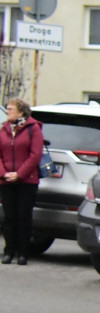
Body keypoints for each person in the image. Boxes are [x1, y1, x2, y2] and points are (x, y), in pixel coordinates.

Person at [1, 98, 44, 266]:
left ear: (21, 111)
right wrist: (4, 174)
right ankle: (9, 250)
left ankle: (23, 252)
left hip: (27, 180)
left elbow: (35, 155)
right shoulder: (4, 129)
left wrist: (19, 174)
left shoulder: (33, 128)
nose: (8, 111)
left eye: (11, 109)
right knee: (9, 217)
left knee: (23, 216)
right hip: (6, 180)